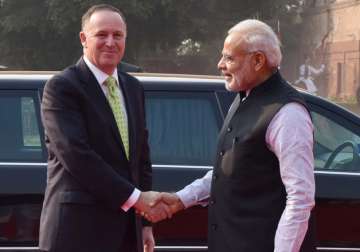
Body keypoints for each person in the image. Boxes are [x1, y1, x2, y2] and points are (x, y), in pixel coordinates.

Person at [155, 19, 316, 252]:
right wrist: (182, 199)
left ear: (258, 60)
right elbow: (229, 172)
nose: (220, 64)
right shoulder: (243, 98)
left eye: (229, 58)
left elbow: (300, 200)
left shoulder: (288, 114)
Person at [39, 4, 170, 252]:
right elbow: (77, 156)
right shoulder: (62, 88)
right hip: (76, 234)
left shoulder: (133, 88)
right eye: (102, 34)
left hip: (126, 234)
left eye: (117, 35)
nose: (111, 42)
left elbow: (141, 157)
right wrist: (138, 200)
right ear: (83, 38)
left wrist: (144, 224)